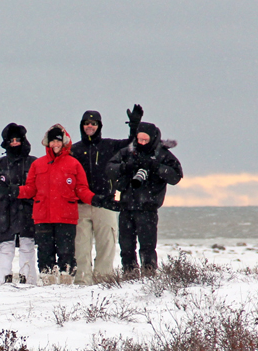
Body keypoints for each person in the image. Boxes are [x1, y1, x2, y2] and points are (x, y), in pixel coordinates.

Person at [14, 125, 114, 285]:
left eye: (58, 141)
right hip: (43, 217)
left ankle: (66, 281)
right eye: (52, 141)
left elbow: (81, 190)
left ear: (64, 142)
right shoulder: (38, 165)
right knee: (45, 253)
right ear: (47, 143)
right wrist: (14, 190)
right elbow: (29, 189)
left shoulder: (73, 164)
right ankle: (48, 282)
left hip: (66, 217)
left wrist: (95, 199)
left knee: (66, 252)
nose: (55, 144)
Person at [69, 105, 143, 284]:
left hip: (106, 204)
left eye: (94, 123)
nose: (90, 126)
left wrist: (134, 126)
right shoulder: (74, 149)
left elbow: (133, 146)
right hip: (80, 205)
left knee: (106, 246)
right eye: (87, 123)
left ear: (99, 126)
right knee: (81, 248)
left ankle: (103, 282)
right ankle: (82, 283)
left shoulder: (110, 145)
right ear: (82, 125)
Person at [105, 122, 183, 273]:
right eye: (139, 139)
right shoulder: (128, 151)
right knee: (126, 246)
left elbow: (176, 177)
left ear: (152, 139)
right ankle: (129, 273)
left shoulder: (162, 154)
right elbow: (109, 169)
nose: (141, 143)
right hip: (126, 207)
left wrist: (155, 167)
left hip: (148, 208)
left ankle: (149, 274)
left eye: (145, 140)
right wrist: (125, 167)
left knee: (147, 246)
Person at [0, 123, 38, 285]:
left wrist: (18, 191)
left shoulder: (34, 163)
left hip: (28, 210)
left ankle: (29, 279)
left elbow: (40, 186)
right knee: (6, 247)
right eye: (11, 140)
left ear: (23, 140)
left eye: (17, 140)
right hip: (4, 211)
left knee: (27, 245)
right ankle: (2, 281)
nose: (14, 143)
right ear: (6, 142)